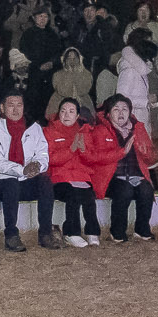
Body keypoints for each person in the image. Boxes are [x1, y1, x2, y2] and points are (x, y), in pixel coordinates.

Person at [0, 90, 53, 251]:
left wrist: (38, 166)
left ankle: (46, 233)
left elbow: (43, 153)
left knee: (45, 181)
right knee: (11, 183)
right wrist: (22, 170)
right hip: (2, 182)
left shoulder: (34, 128)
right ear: (2, 108)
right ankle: (11, 235)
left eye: (19, 105)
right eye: (11, 105)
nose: (15, 109)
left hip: (27, 179)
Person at [42, 98, 107, 247]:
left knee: (89, 195)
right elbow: (50, 159)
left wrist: (83, 150)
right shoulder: (49, 132)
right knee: (73, 193)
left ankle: (92, 231)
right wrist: (71, 149)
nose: (66, 115)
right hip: (59, 179)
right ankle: (71, 232)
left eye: (71, 111)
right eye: (63, 111)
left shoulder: (85, 132)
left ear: (77, 116)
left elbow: (92, 158)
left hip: (81, 177)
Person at [98, 93, 158, 242]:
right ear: (108, 113)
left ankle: (142, 229)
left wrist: (145, 152)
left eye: (124, 109)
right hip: (111, 178)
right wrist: (121, 152)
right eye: (116, 109)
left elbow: (153, 158)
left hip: (135, 175)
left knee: (146, 189)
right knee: (124, 189)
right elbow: (97, 157)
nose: (121, 113)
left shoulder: (139, 129)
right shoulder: (101, 130)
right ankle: (117, 232)